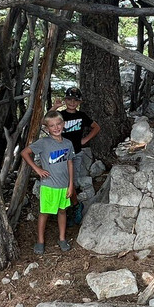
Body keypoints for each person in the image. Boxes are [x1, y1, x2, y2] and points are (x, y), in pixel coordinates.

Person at [20, 111, 75, 254]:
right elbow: (25, 152)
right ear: (47, 128)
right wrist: (37, 169)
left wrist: (71, 185)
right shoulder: (43, 143)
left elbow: (70, 163)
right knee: (44, 213)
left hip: (63, 185)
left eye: (58, 124)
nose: (56, 128)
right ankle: (40, 241)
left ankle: (62, 238)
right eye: (52, 126)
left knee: (62, 211)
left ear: (63, 124)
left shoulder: (68, 143)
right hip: (49, 185)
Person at [53, 87, 100, 224]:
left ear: (80, 102)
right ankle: (65, 208)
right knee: (61, 181)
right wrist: (55, 107)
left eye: (75, 100)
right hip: (61, 154)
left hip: (76, 153)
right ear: (65, 100)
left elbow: (96, 127)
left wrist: (86, 140)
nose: (72, 102)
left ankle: (75, 206)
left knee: (71, 183)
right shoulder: (60, 115)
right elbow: (44, 122)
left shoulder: (82, 116)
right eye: (69, 99)